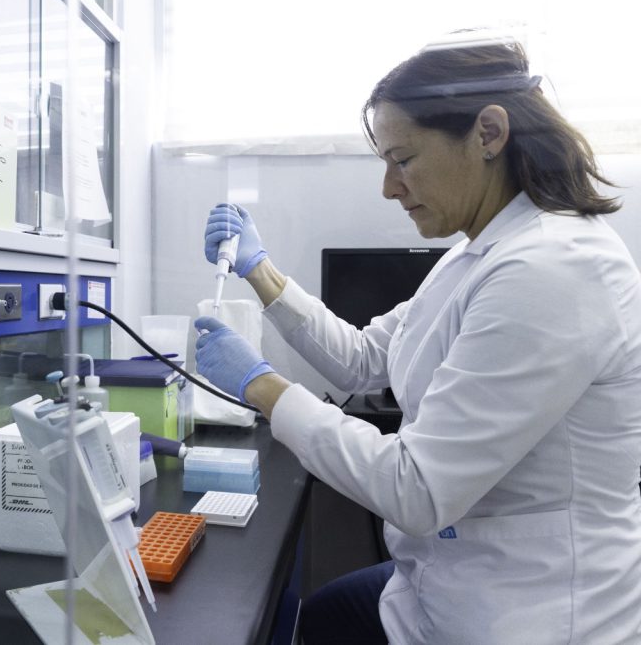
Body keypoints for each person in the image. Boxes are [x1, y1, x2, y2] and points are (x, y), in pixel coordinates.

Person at [196, 38, 641, 644]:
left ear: (489, 133)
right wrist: (260, 270)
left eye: (402, 159)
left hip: (527, 612)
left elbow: (419, 489)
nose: (389, 186)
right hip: (448, 580)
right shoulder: (475, 253)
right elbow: (363, 360)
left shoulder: (555, 268)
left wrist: (263, 387)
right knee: (318, 615)